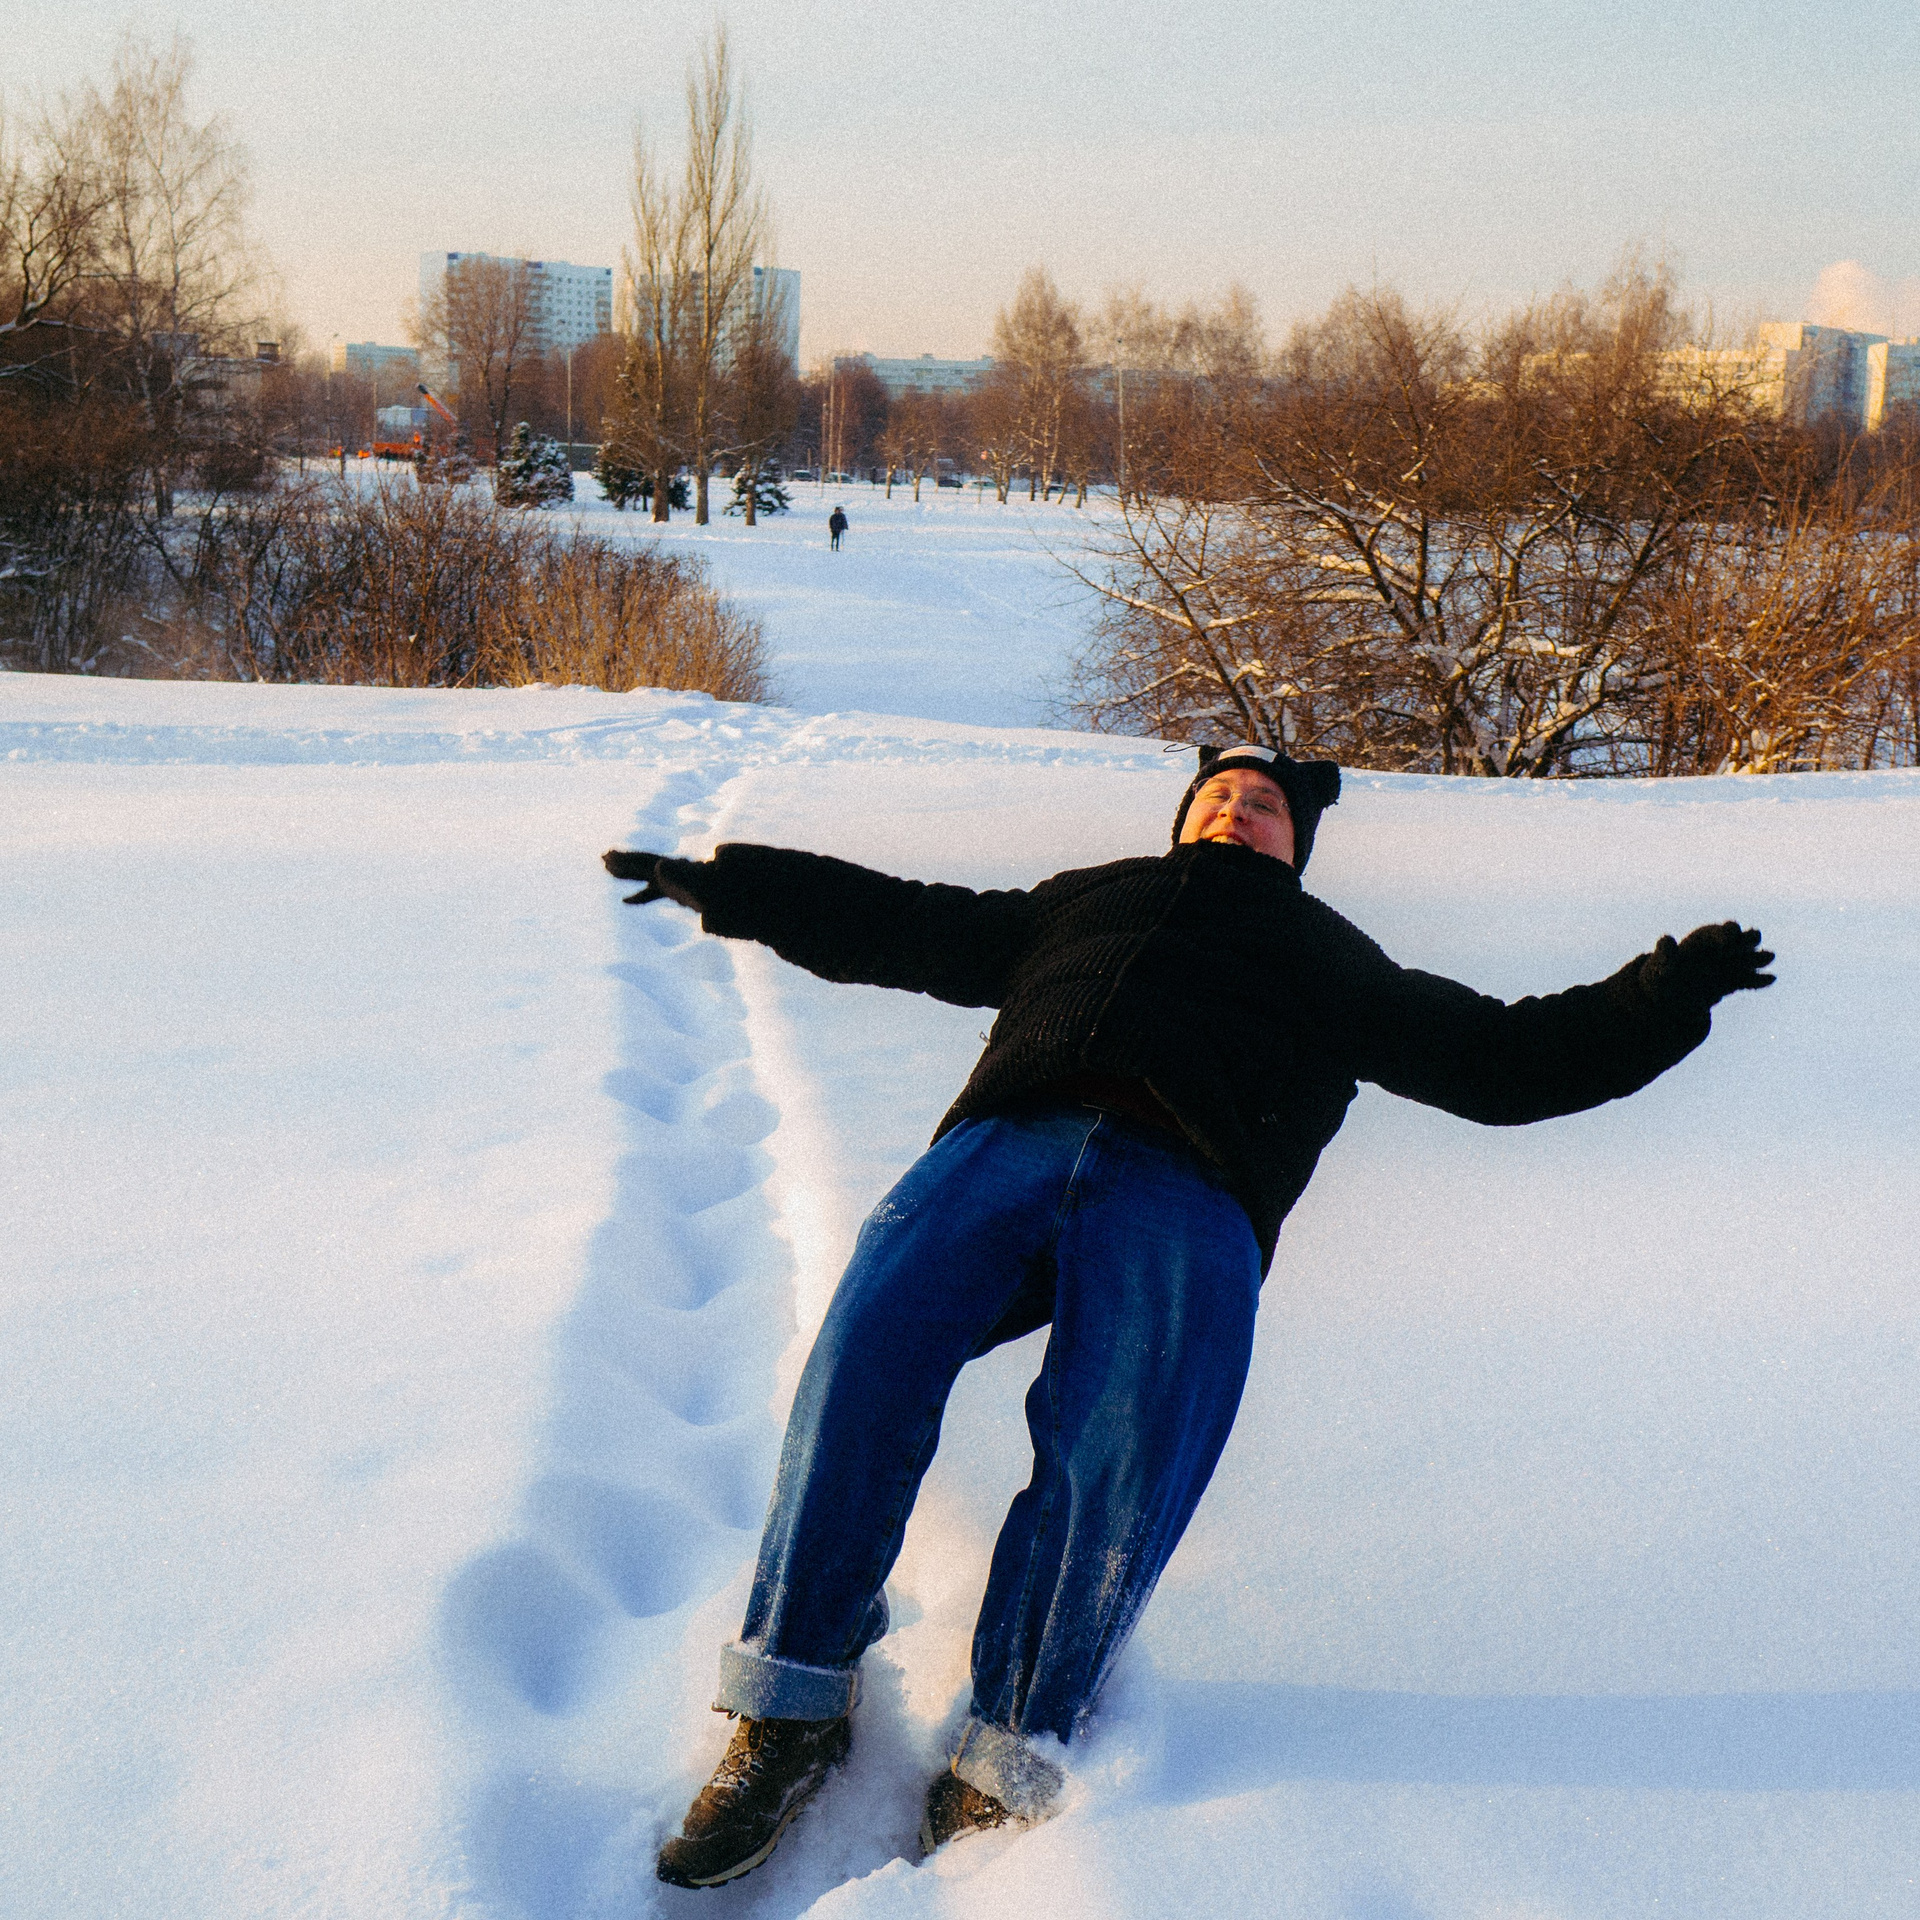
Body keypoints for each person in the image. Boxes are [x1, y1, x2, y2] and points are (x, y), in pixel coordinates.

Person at [602, 742, 1775, 1889]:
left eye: (1261, 804)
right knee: (864, 1356)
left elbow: (1500, 1061)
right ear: (1182, 819)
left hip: (1194, 1183)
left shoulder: (1330, 954)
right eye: (1217, 796)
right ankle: (792, 1706)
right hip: (1012, 1137)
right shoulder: (1090, 900)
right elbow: (908, 922)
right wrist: (736, 885)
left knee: (1121, 1454)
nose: (1234, 813)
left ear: (1295, 843)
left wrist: (1660, 999)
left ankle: (1014, 1742)